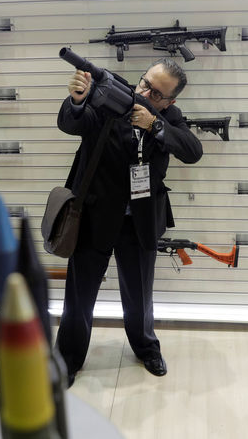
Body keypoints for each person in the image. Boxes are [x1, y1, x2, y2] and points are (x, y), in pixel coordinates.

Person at [56, 58, 203, 385]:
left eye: (156, 93)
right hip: (94, 216)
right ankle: (67, 358)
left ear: (169, 101)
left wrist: (155, 124)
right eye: (145, 83)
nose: (145, 91)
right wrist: (78, 100)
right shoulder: (107, 101)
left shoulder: (166, 116)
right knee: (79, 297)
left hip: (139, 221)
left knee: (140, 295)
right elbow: (70, 123)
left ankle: (146, 348)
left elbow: (193, 151)